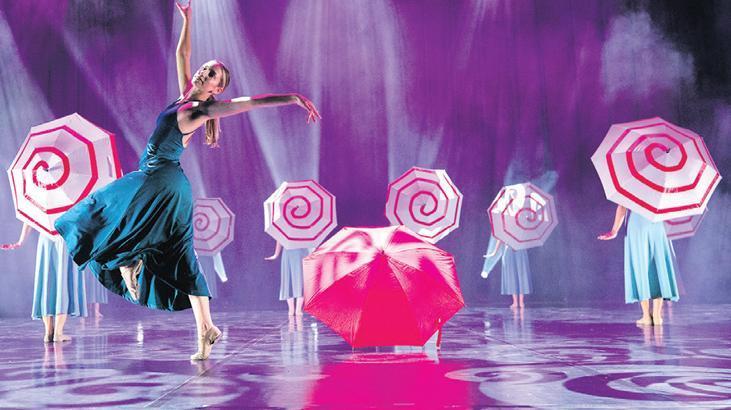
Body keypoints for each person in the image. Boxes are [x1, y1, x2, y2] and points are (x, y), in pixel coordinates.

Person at [53, 0, 320, 360]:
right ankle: (206, 329)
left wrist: (292, 97)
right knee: (180, 254)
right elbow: (183, 54)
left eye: (211, 76)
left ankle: (130, 261)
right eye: (206, 69)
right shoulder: (185, 98)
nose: (203, 74)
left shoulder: (200, 109)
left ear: (215, 90)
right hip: (169, 184)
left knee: (98, 209)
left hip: (159, 179)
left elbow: (248, 103)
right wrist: (188, 18)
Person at [1, 224, 87, 342]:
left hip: (46, 239)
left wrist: (21, 241)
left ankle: (48, 332)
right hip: (65, 236)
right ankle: (58, 333)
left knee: (47, 283)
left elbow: (29, 219)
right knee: (63, 283)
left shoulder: (42, 210)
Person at [598, 205, 679, 326]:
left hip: (637, 223)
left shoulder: (633, 190)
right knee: (658, 266)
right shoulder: (663, 191)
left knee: (640, 266)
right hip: (657, 223)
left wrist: (614, 231)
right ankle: (657, 315)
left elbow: (622, 206)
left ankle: (646, 315)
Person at [482, 237, 532, 308]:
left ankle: (520, 302)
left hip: (518, 250)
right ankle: (517, 302)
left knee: (520, 274)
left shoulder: (516, 231)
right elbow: (500, 240)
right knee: (513, 275)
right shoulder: (507, 230)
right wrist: (494, 252)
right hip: (511, 250)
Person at [265, 242, 310, 316]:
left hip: (302, 251)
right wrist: (276, 254)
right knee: (288, 279)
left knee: (301, 280)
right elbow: (280, 239)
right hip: (289, 251)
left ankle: (298, 309)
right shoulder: (286, 234)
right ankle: (291, 309)